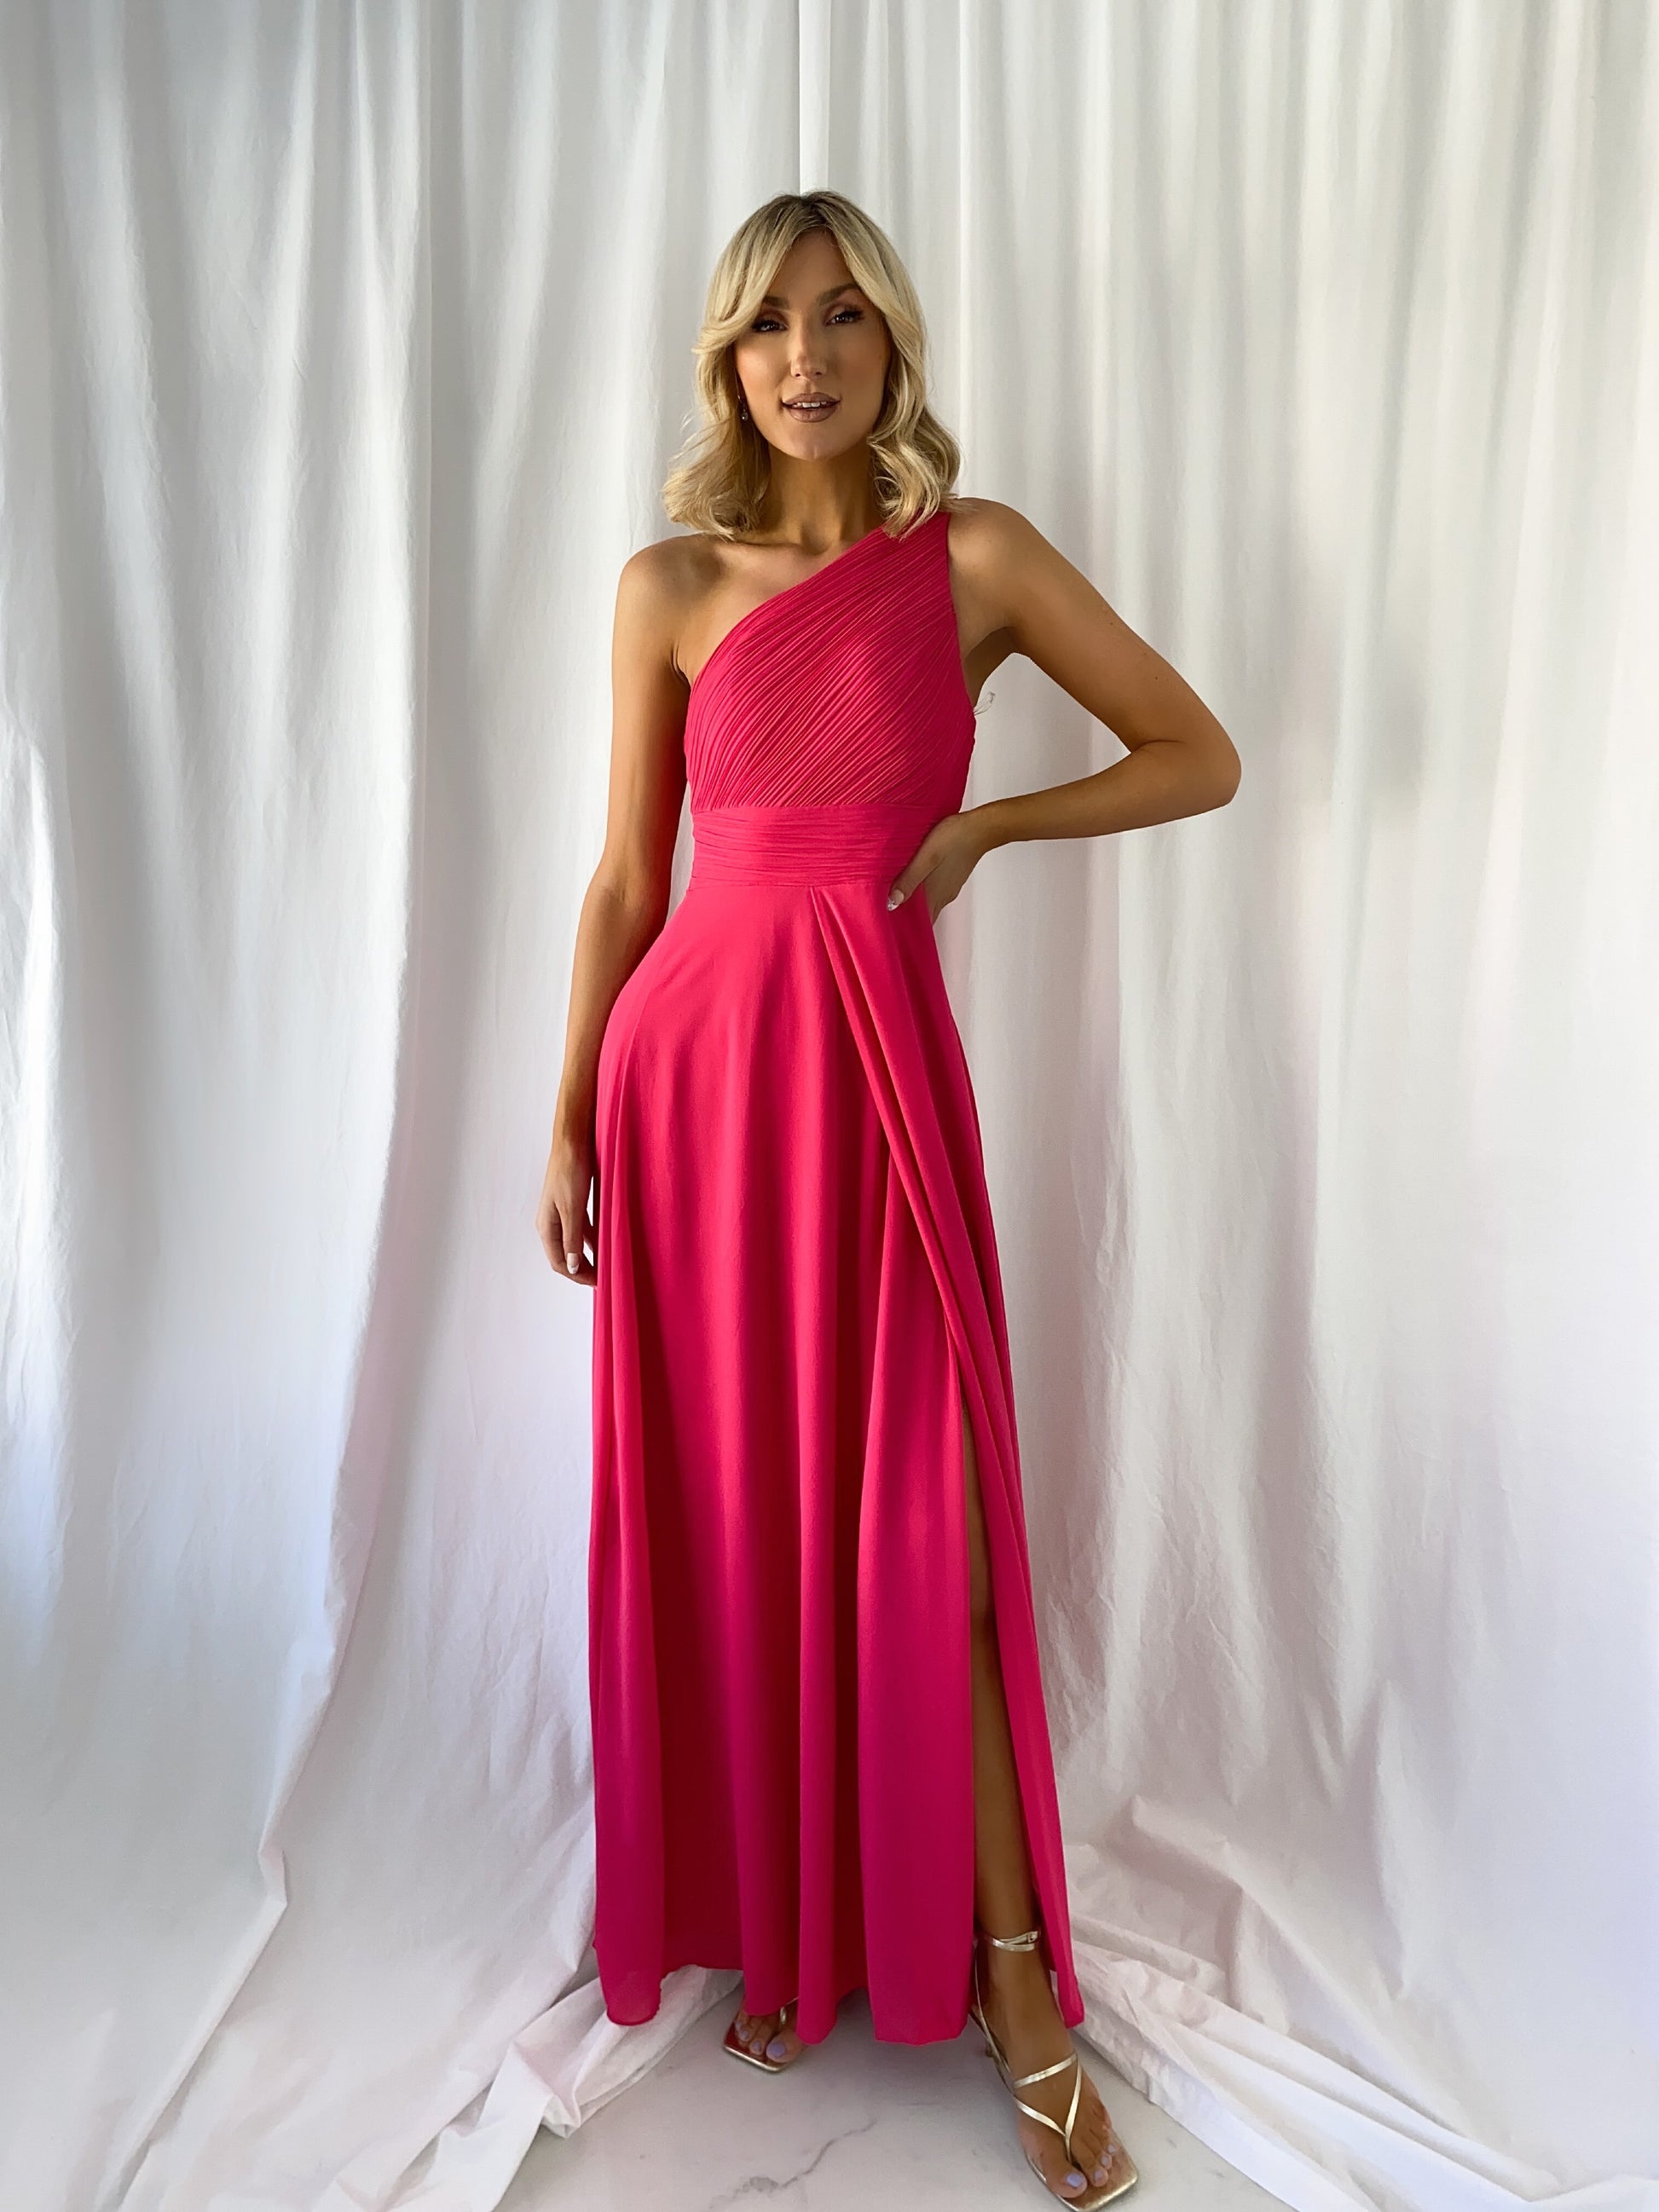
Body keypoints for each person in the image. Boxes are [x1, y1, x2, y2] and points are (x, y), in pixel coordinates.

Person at [537, 188, 1239, 2209]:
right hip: (694, 1090)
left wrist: (988, 825)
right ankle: (788, 1927)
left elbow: (1195, 751)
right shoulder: (667, 581)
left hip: (873, 1073)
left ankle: (1019, 1992)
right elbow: (623, 883)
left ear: (891, 342)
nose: (806, 355)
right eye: (769, 324)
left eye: (842, 317)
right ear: (727, 358)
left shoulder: (978, 561)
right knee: (746, 1512)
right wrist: (574, 1106)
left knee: (920, 1532)